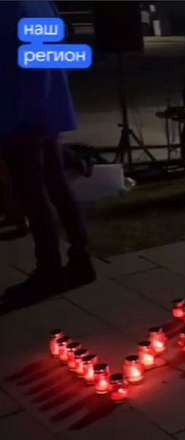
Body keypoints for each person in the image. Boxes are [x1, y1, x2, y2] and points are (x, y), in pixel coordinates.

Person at [0, 1, 94, 303]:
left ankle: (49, 269)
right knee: (57, 184)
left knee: (33, 193)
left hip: (18, 112)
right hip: (48, 108)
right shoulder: (40, 4)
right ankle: (80, 258)